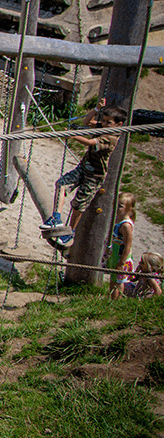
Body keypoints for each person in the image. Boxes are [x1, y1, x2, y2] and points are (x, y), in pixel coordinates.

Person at [48, 99, 127, 239]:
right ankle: (56, 217)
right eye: (103, 120)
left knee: (79, 205)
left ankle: (70, 231)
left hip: (94, 176)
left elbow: (90, 142)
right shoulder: (103, 126)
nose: (104, 123)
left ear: (119, 125)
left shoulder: (112, 138)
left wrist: (73, 135)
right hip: (83, 168)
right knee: (62, 184)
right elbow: (86, 122)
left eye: (109, 122)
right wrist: (96, 109)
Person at [108, 193, 136, 299]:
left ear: (129, 209)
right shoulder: (117, 220)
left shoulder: (126, 225)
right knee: (113, 280)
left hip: (122, 258)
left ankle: (115, 301)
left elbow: (128, 245)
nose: (116, 208)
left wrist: (122, 262)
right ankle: (112, 299)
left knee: (118, 283)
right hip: (115, 256)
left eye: (120, 206)